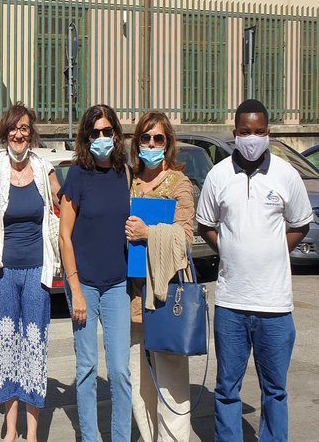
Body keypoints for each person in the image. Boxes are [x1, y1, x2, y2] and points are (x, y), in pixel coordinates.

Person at [197, 99, 312, 442]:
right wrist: (230, 249)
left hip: (275, 306)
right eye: (245, 132)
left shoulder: (286, 175)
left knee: (275, 391)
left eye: (259, 132)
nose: (252, 138)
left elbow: (300, 224)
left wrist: (277, 249)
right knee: (227, 389)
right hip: (231, 304)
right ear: (235, 133)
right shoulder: (218, 175)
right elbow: (205, 224)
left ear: (268, 133)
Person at [0, 103, 60, 442]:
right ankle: (10, 432)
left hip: (36, 275)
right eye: (13, 128)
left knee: (34, 349)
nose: (19, 134)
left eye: (25, 128)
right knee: (8, 350)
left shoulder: (44, 170)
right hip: (5, 274)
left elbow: (67, 204)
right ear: (6, 133)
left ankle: (32, 435)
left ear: (32, 133)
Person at [58, 104, 132, 442]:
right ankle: (89, 437)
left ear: (115, 134)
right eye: (95, 133)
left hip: (117, 286)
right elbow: (64, 236)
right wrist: (74, 290)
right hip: (84, 285)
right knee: (86, 369)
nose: (101, 138)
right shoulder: (77, 175)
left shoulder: (124, 173)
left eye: (107, 131)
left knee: (119, 371)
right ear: (86, 138)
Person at [124, 112, 195, 441]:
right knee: (138, 383)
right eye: (145, 138)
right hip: (132, 297)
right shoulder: (130, 181)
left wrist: (148, 233)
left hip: (166, 295)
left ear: (167, 144)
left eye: (158, 139)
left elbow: (185, 236)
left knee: (172, 384)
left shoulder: (179, 184)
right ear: (137, 143)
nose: (151, 144)